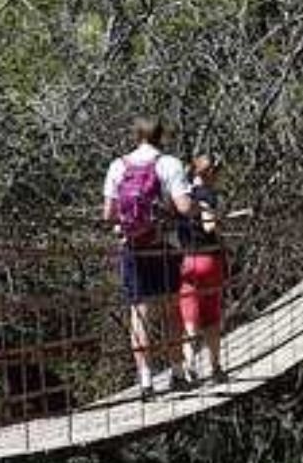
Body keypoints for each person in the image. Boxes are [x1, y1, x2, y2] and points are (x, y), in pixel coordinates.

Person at [102, 116, 194, 397]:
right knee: (170, 311)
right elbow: (184, 206)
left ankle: (145, 381)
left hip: (132, 247)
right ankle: (177, 373)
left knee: (139, 314)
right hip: (163, 245)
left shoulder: (118, 166)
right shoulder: (170, 164)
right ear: (160, 136)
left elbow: (108, 215)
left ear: (136, 135)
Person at [177, 153, 228, 383]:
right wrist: (217, 225)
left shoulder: (181, 197)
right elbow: (209, 227)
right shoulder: (210, 195)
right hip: (210, 260)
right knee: (211, 315)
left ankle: (189, 369)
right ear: (210, 174)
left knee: (190, 317)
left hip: (188, 262)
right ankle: (216, 367)